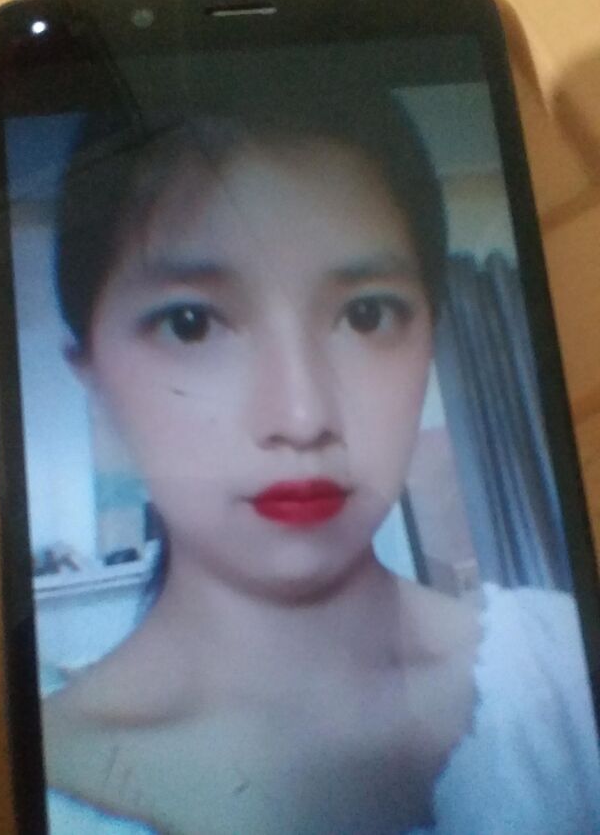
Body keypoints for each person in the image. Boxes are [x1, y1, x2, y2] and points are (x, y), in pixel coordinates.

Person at [41, 88, 600, 834]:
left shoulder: (563, 670)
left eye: (366, 314)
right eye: (191, 323)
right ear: (96, 384)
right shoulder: (33, 784)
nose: (302, 418)